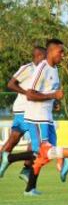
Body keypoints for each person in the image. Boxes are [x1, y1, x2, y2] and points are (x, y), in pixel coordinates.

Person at [23, 39, 65, 195]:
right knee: (43, 152)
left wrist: (53, 102)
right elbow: (30, 94)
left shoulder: (54, 69)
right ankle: (29, 187)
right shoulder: (42, 68)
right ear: (52, 51)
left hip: (47, 117)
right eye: (60, 51)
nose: (62, 55)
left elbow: (45, 92)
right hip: (37, 117)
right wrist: (53, 95)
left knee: (47, 153)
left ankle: (30, 186)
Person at [0, 46, 46, 182]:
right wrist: (27, 93)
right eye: (44, 57)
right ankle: (4, 164)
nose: (45, 60)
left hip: (36, 111)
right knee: (13, 140)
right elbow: (11, 84)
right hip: (23, 109)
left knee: (37, 141)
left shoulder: (43, 71)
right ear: (37, 57)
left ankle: (26, 168)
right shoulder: (28, 68)